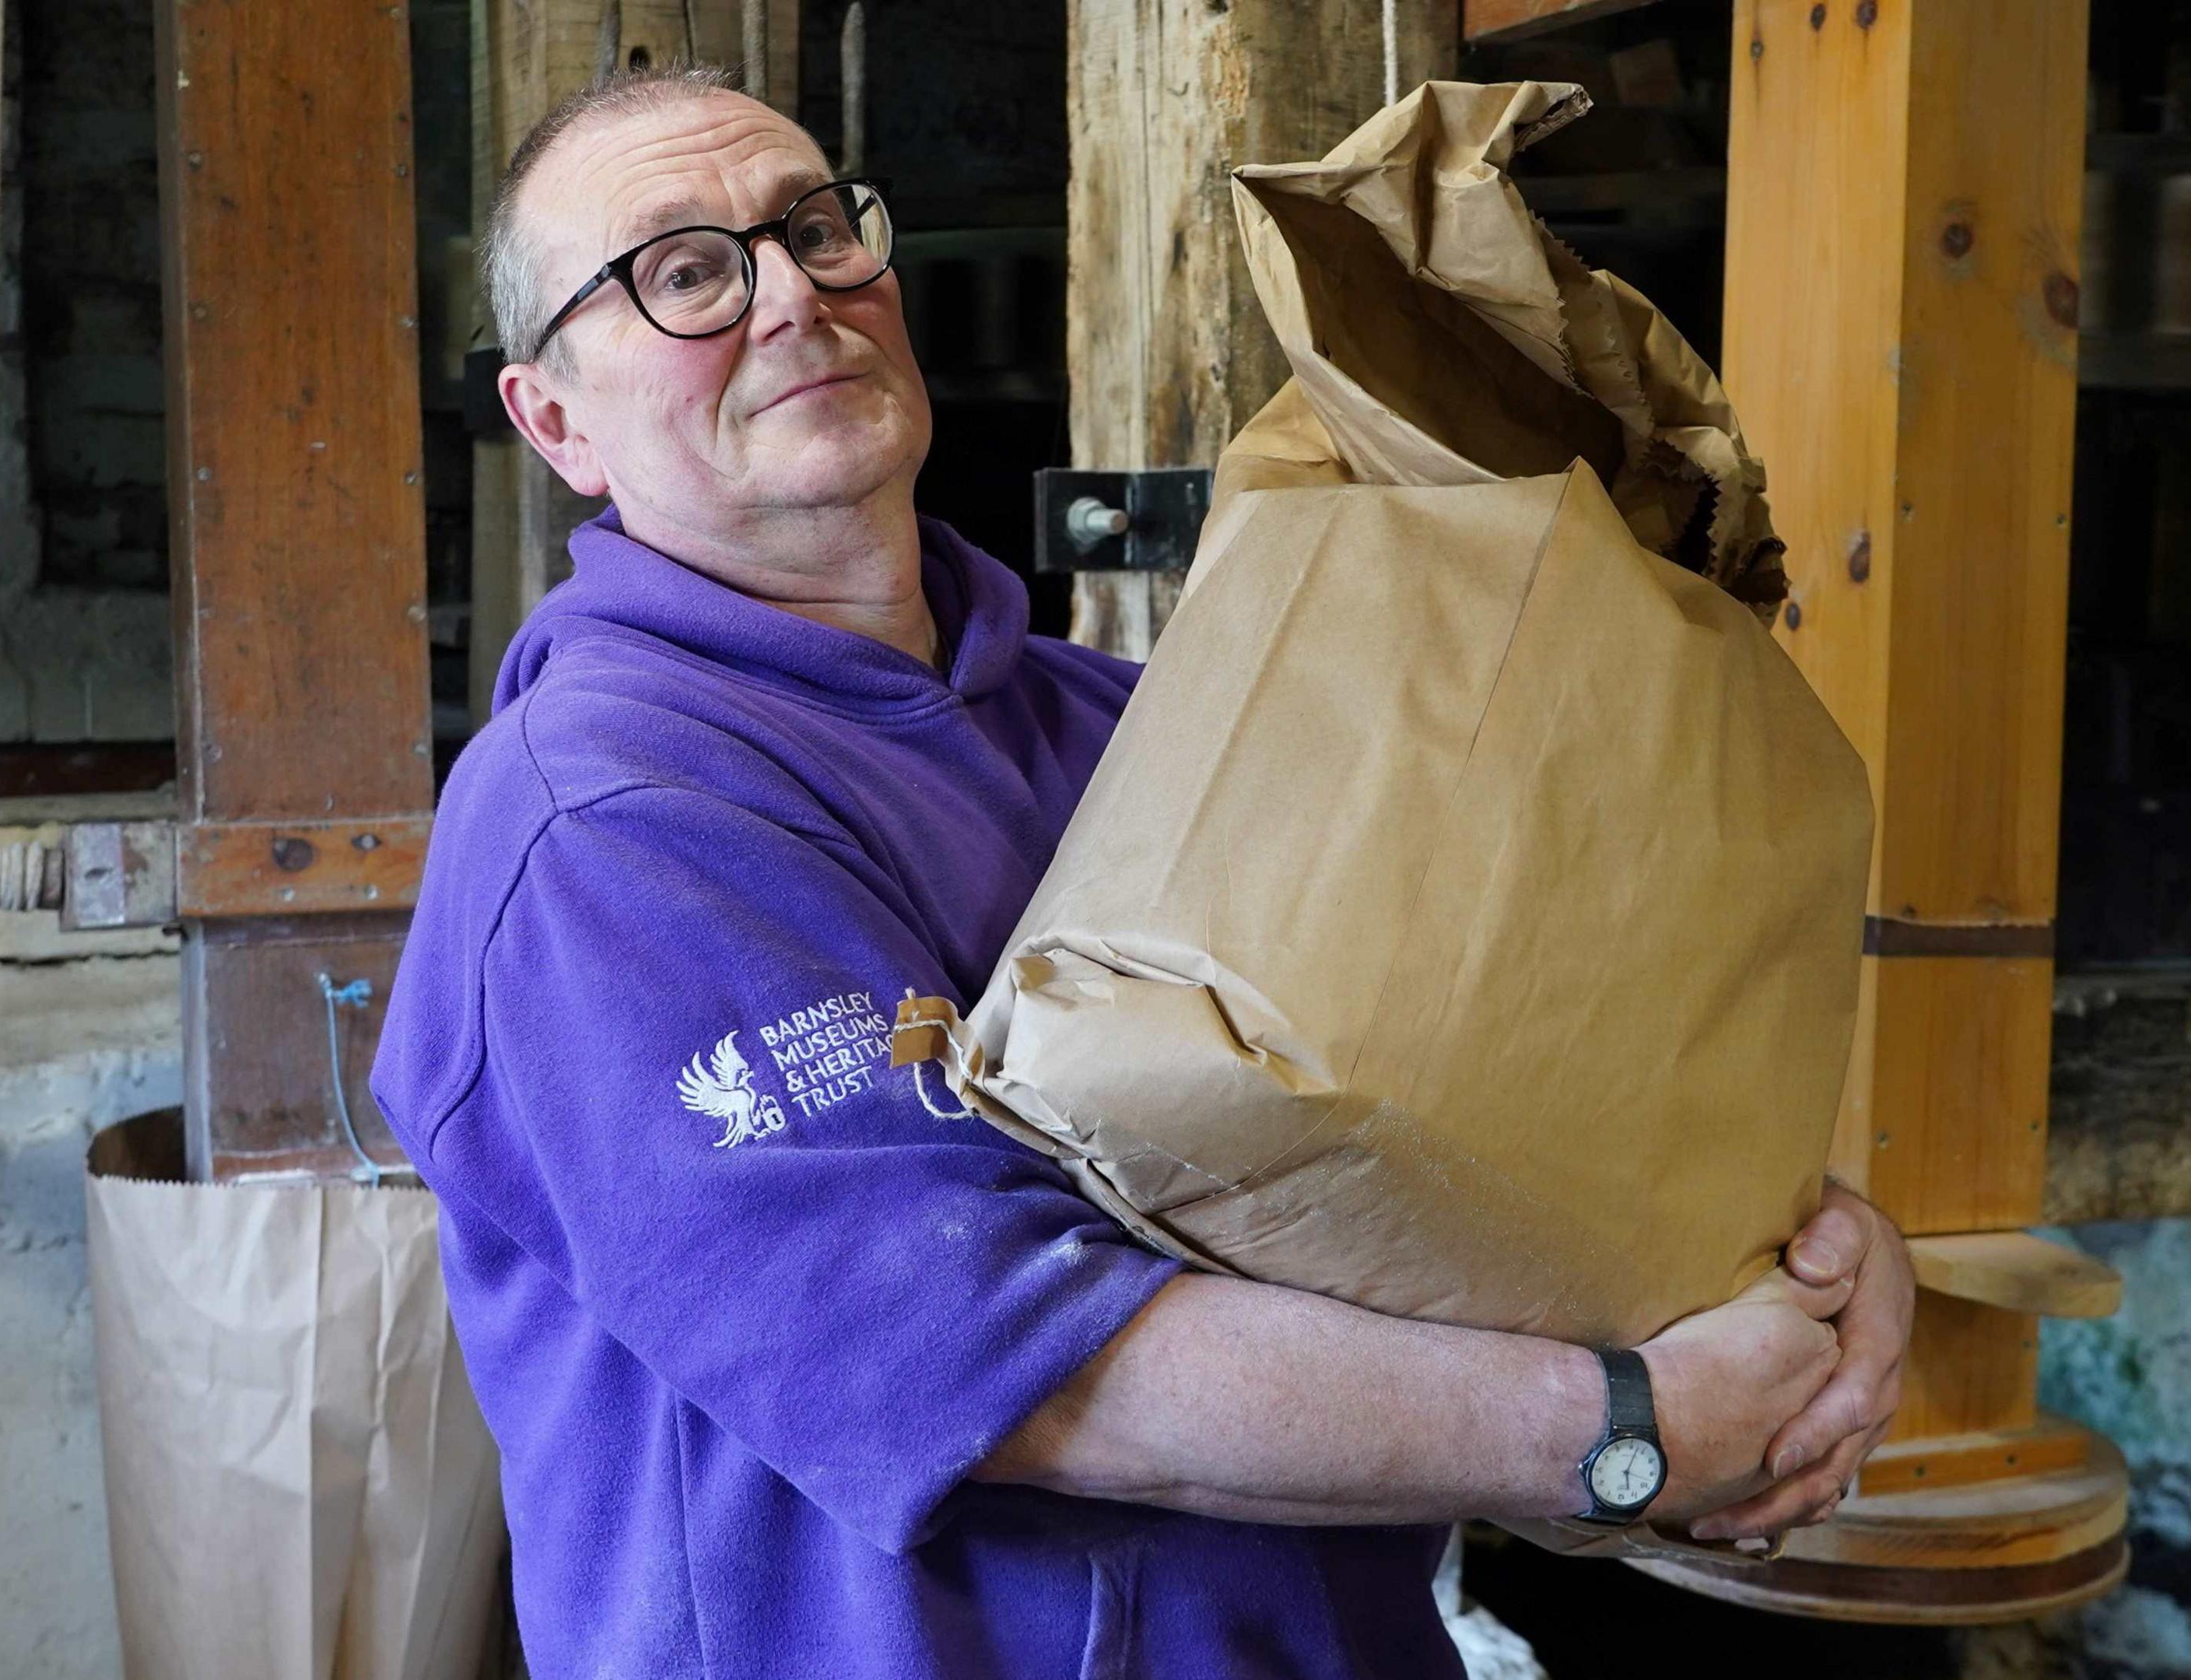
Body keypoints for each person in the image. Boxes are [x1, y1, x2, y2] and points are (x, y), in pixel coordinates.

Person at [372, 65, 1912, 1680]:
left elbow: (1492, 1117)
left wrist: (1785, 1269)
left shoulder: (1132, 727)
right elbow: (1003, 1365)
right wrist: (1627, 1430)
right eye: (683, 272)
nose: (791, 296)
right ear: (555, 424)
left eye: (817, 229)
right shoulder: (598, 828)